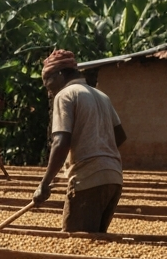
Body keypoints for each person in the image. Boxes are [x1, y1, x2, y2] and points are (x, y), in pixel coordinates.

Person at [33, 48, 127, 233]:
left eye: (48, 83)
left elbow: (61, 142)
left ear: (60, 74)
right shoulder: (102, 96)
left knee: (74, 241)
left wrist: (44, 185)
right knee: (94, 243)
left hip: (88, 180)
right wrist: (97, 149)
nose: (49, 91)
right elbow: (120, 136)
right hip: (114, 178)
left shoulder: (66, 95)